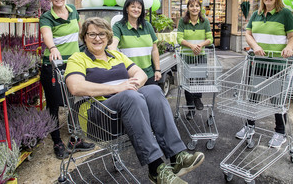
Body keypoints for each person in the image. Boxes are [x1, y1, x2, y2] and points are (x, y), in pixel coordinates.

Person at [65, 17, 205, 184]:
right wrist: (119, 88)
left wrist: (133, 84)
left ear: (108, 36)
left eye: (102, 33)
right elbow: (75, 86)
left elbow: (142, 74)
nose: (97, 38)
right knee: (130, 96)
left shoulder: (117, 55)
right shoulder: (78, 58)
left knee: (153, 90)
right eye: (92, 34)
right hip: (97, 116)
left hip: (125, 113)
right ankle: (156, 169)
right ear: (84, 36)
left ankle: (177, 156)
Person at [236, 0, 293, 148]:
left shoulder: (284, 13)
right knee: (253, 96)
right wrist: (255, 46)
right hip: (257, 63)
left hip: (276, 65)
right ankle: (249, 127)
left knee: (276, 99)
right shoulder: (257, 14)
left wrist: (289, 47)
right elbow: (248, 34)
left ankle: (280, 133)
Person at [39, 0, 94, 159]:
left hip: (73, 64)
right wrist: (53, 47)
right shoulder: (46, 17)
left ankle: (75, 139)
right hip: (53, 66)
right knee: (54, 105)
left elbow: (80, 31)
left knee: (75, 101)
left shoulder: (72, 10)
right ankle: (56, 141)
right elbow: (47, 34)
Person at [108, 0, 161, 85]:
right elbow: (113, 45)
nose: (136, 9)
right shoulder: (119, 26)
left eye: (139, 7)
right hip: (130, 76)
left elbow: (154, 49)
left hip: (149, 74)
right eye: (133, 6)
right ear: (127, 9)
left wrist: (157, 69)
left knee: (151, 97)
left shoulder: (147, 26)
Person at [177, 0, 213, 120]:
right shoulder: (183, 21)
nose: (194, 8)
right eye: (191, 6)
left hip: (200, 55)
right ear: (188, 8)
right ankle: (190, 108)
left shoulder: (205, 21)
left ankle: (197, 98)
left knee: (199, 79)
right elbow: (179, 39)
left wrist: (200, 45)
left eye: (197, 6)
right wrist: (191, 46)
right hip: (187, 56)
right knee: (188, 82)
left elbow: (210, 39)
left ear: (200, 8)